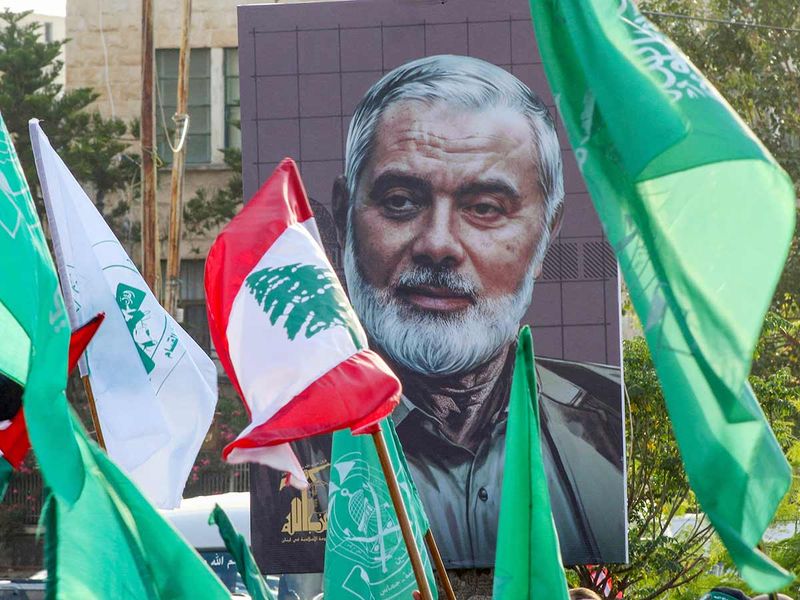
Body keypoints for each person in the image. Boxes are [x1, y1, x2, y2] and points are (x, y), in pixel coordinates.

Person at [330, 54, 625, 567]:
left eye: (485, 208)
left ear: (545, 237)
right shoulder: (291, 438)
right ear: (343, 219)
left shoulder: (606, 422)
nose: (438, 245)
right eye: (400, 200)